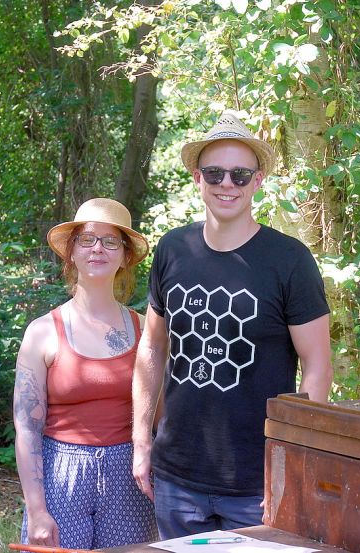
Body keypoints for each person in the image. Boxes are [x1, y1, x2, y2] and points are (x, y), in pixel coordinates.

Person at [131, 113, 333, 538]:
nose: (227, 184)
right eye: (215, 173)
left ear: (257, 181)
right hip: (177, 480)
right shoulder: (173, 249)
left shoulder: (289, 260)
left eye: (240, 175)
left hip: (256, 484)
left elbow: (317, 366)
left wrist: (290, 462)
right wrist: (141, 441)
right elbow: (152, 349)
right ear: (197, 178)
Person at [14, 198, 157, 548]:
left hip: (129, 474)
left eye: (111, 241)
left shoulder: (147, 332)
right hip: (60, 470)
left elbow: (159, 415)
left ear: (125, 256)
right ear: (71, 252)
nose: (98, 249)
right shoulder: (42, 331)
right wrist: (36, 510)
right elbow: (27, 428)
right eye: (88, 239)